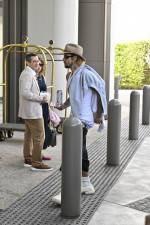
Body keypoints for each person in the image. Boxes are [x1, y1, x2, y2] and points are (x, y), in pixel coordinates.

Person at [52, 43, 107, 204]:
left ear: (74, 58)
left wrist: (98, 114)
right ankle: (85, 184)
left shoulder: (87, 73)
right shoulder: (71, 75)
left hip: (83, 119)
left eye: (66, 57)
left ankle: (68, 190)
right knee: (80, 150)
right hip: (75, 118)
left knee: (72, 152)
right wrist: (63, 105)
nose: (63, 59)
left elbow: (101, 87)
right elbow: (74, 97)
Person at [18, 53, 53, 171]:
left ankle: (28, 158)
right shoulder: (28, 74)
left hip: (29, 110)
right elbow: (25, 93)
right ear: (27, 62)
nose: (37, 63)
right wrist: (40, 98)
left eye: (38, 61)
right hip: (32, 111)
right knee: (39, 137)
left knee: (28, 136)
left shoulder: (28, 73)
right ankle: (37, 163)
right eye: (34, 61)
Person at [35, 58, 51, 160]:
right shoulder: (32, 77)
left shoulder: (42, 77)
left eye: (41, 64)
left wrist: (49, 109)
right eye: (37, 64)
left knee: (44, 127)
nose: (39, 66)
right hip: (36, 104)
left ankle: (40, 152)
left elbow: (45, 91)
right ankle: (36, 153)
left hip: (44, 105)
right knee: (37, 129)